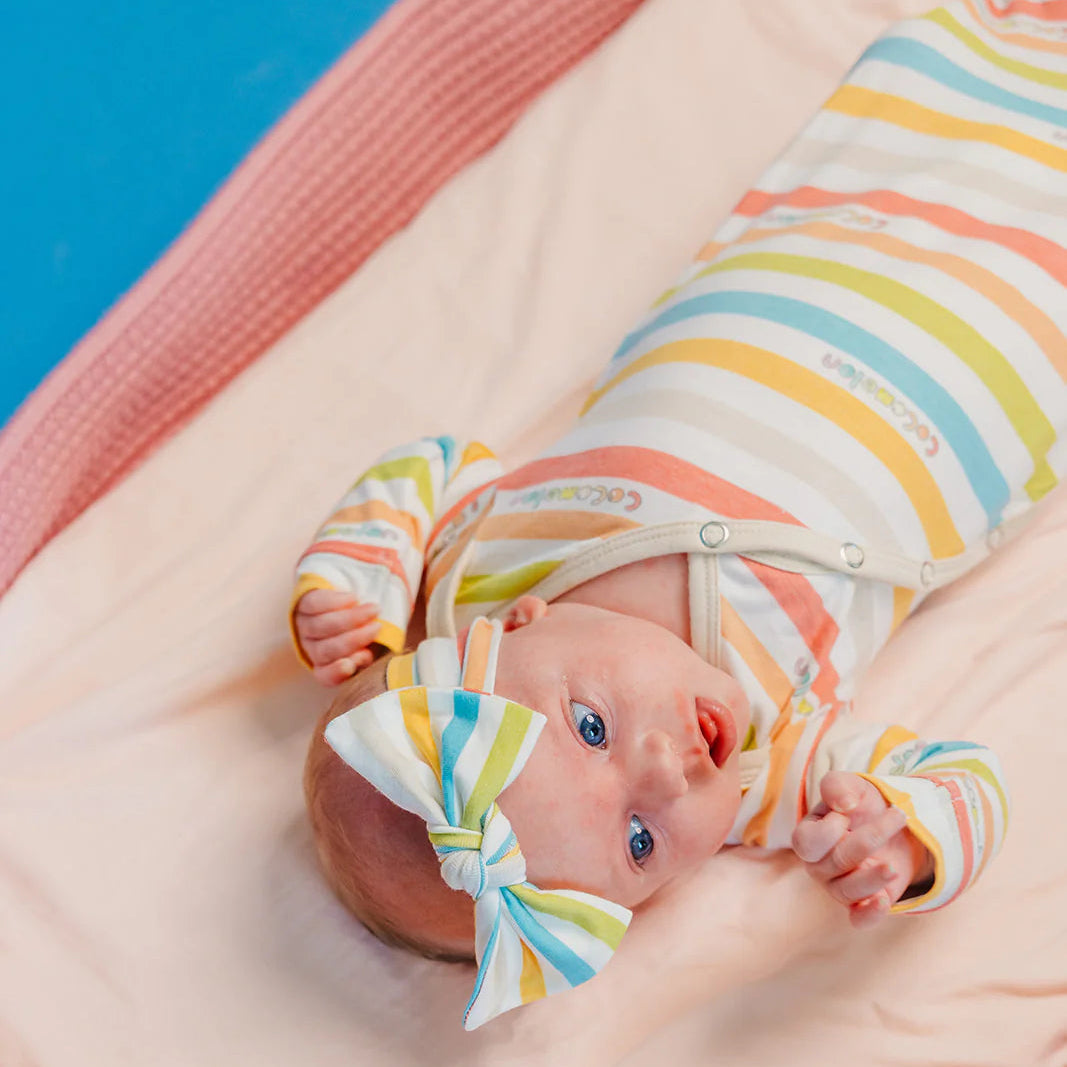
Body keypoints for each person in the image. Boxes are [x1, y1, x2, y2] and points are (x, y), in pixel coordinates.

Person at [293, 0, 1067, 1027]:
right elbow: (961, 776)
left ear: (515, 624)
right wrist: (904, 835)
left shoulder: (486, 564)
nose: (668, 771)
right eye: (639, 842)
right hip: (994, 358)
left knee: (939, 91)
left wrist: (355, 583)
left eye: (591, 727)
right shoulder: (765, 765)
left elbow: (429, 466)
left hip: (814, 251)